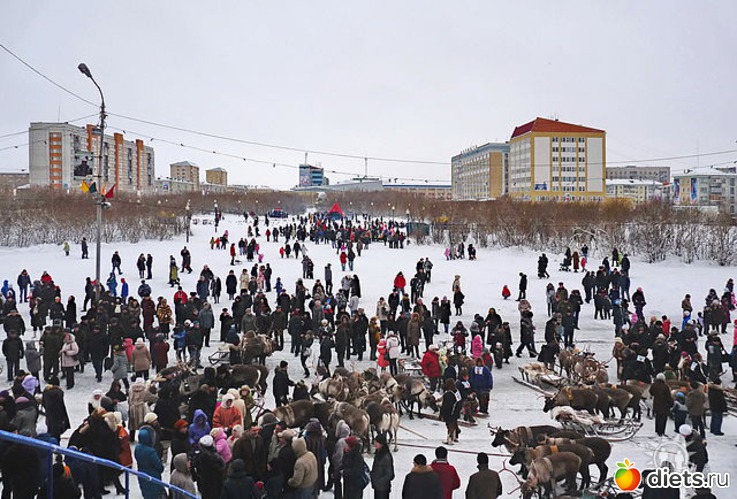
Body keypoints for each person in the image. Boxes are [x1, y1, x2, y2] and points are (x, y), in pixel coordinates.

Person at [135, 426, 165, 499]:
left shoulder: (137, 448)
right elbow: (159, 466)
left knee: (146, 494)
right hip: (153, 476)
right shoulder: (151, 451)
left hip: (141, 474)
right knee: (155, 494)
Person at [193, 434, 226, 499]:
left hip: (207, 486)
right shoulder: (216, 457)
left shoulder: (202, 458)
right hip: (217, 485)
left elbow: (198, 470)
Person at [371, 433, 395, 499]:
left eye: (377, 442)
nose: (375, 443)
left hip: (383, 488)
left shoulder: (386, 456)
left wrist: (379, 481)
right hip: (378, 487)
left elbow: (390, 474)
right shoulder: (378, 453)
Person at [650, 372, 673, 437]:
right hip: (664, 404)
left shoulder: (654, 385)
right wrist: (671, 403)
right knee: (663, 419)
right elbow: (668, 396)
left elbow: (651, 392)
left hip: (656, 403)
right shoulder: (665, 386)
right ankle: (661, 431)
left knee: (657, 417)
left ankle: (657, 430)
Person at [440, 378, 462, 445]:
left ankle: (450, 439)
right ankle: (455, 437)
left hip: (449, 412)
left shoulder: (448, 394)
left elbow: (446, 405)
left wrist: (442, 413)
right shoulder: (456, 391)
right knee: (454, 423)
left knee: (449, 425)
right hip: (456, 410)